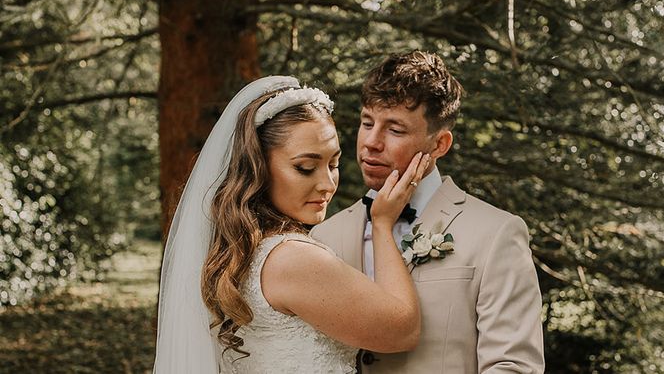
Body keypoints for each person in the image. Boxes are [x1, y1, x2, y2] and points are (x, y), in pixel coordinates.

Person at [153, 75, 431, 374]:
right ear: (257, 169)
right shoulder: (292, 260)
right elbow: (403, 330)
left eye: (334, 164)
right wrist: (382, 224)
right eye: (306, 168)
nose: (327, 184)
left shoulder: (235, 249)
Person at [311, 52, 545, 373]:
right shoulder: (322, 236)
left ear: (439, 145)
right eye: (367, 123)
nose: (371, 143)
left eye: (395, 130)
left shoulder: (496, 234)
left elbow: (514, 366)